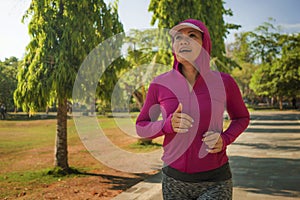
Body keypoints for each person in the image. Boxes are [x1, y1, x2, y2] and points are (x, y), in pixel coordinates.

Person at [136, 19, 250, 200]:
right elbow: (141, 126)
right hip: (174, 180)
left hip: (215, 180)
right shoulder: (160, 84)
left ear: (204, 44)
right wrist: (167, 125)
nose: (183, 41)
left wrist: (225, 139)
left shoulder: (224, 82)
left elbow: (242, 117)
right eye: (178, 37)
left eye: (192, 36)